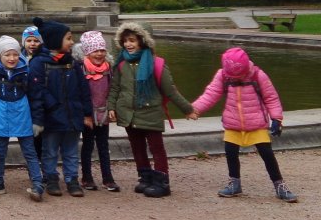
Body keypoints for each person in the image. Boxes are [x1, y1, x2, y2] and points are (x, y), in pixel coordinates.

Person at [191, 47, 298, 202]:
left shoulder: (258, 75)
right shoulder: (223, 76)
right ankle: (234, 183)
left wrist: (276, 118)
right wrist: (194, 109)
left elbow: (271, 97)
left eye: (238, 76)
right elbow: (211, 94)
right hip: (233, 122)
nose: (235, 79)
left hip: (256, 124)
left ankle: (279, 185)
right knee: (231, 153)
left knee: (267, 154)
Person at [106, 21, 195, 199]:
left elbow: (170, 90)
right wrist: (111, 106)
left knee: (156, 148)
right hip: (128, 113)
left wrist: (187, 109)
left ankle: (162, 181)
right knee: (137, 147)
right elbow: (115, 88)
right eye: (125, 41)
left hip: (150, 112)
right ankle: (145, 177)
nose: (128, 45)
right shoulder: (121, 64)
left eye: (132, 40)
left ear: (143, 41)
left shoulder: (156, 63)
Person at [28, 17, 92, 197]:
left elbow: (83, 89)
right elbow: (37, 92)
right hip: (52, 116)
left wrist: (87, 113)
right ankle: (51, 178)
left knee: (71, 151)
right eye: (68, 38)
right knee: (49, 151)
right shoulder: (38, 63)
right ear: (56, 40)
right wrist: (41, 117)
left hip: (72, 115)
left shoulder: (74, 63)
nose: (72, 42)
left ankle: (72, 179)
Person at [0, 36, 44, 201]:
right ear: (0, 55)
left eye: (15, 54)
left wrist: (38, 120)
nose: (12, 58)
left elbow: (36, 97)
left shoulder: (27, 71)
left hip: (22, 116)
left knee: (30, 152)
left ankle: (37, 184)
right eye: (7, 54)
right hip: (0, 115)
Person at [78, 31, 119, 192]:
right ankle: (86, 177)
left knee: (103, 145)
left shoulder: (109, 68)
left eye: (102, 50)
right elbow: (79, 92)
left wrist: (111, 107)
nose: (100, 53)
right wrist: (84, 114)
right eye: (96, 50)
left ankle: (107, 178)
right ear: (88, 52)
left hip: (103, 112)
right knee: (87, 145)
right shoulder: (81, 68)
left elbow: (113, 88)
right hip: (88, 114)